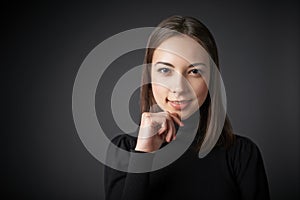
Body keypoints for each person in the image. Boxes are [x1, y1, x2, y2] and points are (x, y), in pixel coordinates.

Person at [104, 15, 270, 200]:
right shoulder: (123, 150)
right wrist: (143, 153)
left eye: (194, 72)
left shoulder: (241, 155)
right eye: (165, 70)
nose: (179, 87)